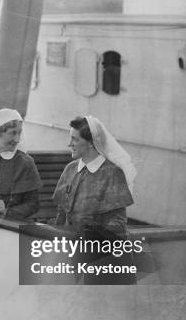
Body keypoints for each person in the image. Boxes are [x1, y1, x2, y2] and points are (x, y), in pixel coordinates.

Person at [53, 115, 137, 283]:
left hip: (103, 261)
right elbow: (61, 214)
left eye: (74, 139)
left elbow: (117, 226)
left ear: (91, 143)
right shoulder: (70, 169)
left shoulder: (112, 173)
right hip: (71, 255)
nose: (69, 144)